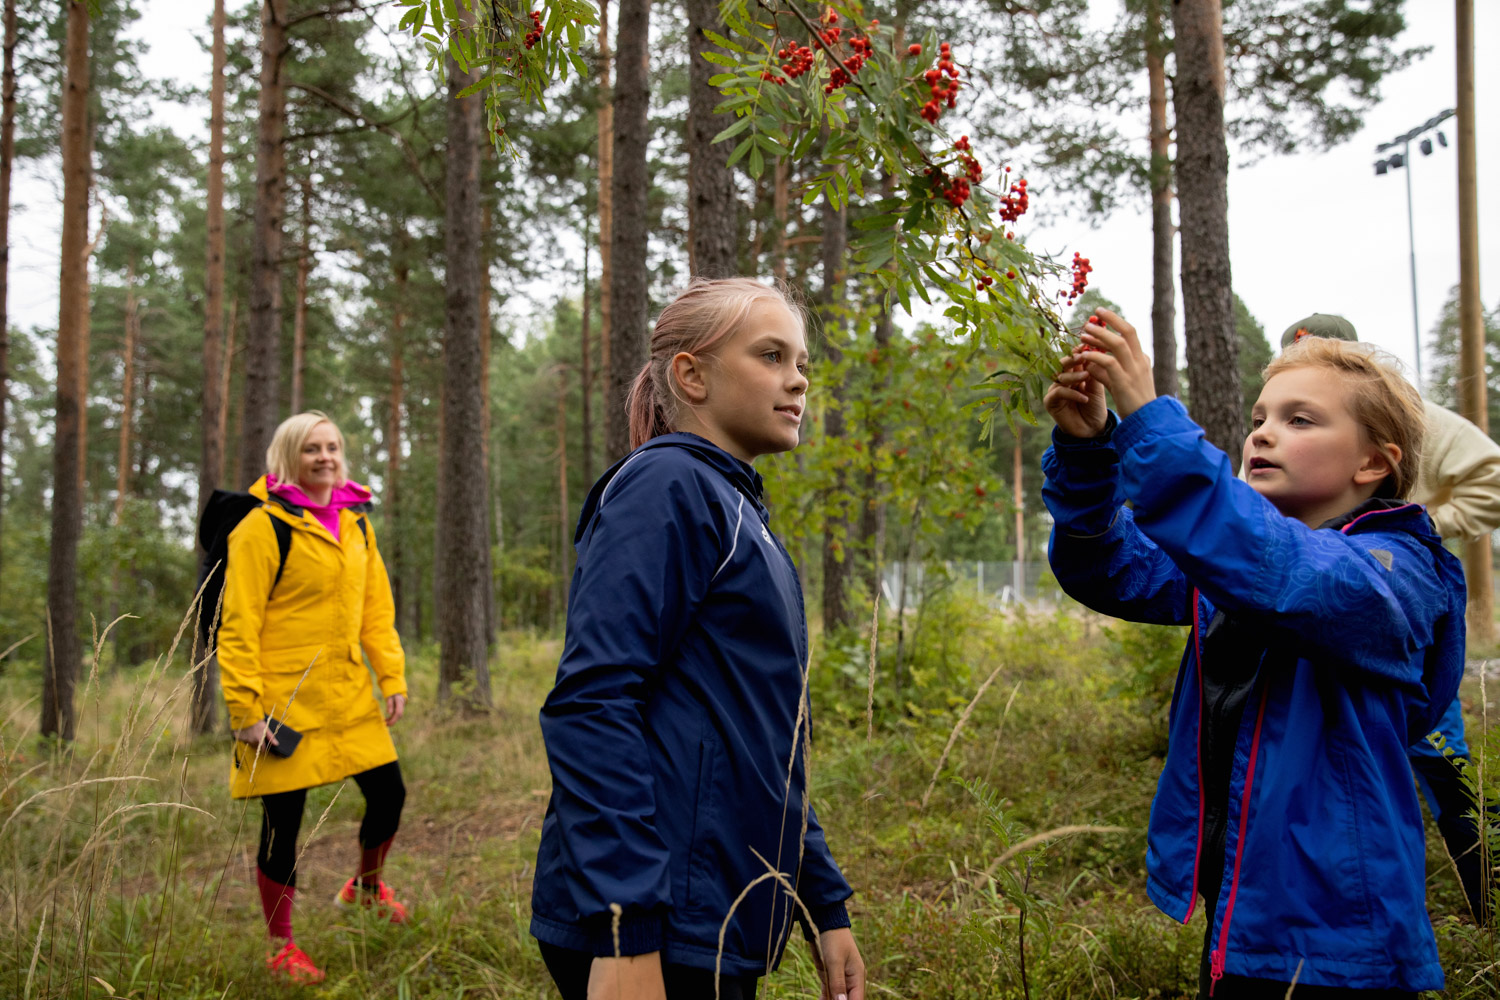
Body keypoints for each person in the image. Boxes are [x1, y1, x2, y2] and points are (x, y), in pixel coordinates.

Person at [1043, 311, 1464, 997]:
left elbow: (1289, 575)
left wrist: (1150, 420)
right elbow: (1108, 568)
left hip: (1343, 939)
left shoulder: (1395, 570)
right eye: (1262, 415)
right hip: (1241, 907)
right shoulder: (1238, 565)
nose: (1264, 431)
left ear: (1372, 462)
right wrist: (1088, 452)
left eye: (1301, 420)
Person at [529, 278, 865, 1000]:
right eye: (771, 355)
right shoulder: (666, 487)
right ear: (692, 374)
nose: (797, 380)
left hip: (714, 912)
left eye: (801, 362)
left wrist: (823, 905)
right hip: (658, 922)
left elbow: (761, 740)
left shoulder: (732, 503)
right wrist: (626, 929)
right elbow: (591, 701)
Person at [1284, 312, 1500, 925]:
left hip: (1394, 623)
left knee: (1441, 759)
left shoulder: (1409, 416)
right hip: (1307, 626)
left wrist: (1427, 523)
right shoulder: (1284, 423)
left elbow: (1492, 477)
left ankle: (1492, 904)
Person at [219, 410, 410, 985]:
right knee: (283, 826)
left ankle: (367, 889)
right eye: (310, 449)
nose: (324, 457)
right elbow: (239, 622)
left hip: (349, 696)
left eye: (331, 447)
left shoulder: (356, 524)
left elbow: (375, 611)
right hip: (283, 704)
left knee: (389, 795)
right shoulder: (262, 527)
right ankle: (282, 947)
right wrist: (246, 712)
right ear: (288, 458)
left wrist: (392, 677)